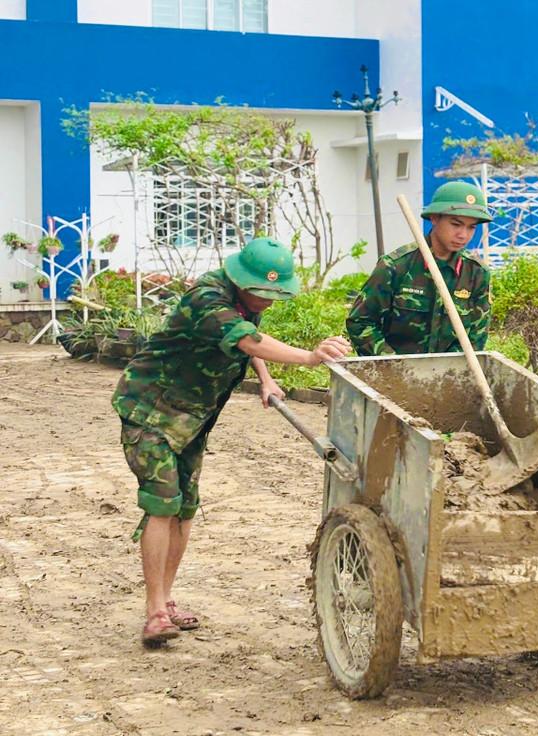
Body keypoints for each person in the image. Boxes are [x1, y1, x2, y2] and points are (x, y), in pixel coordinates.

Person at [111, 237, 350, 647]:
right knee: (163, 501)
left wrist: (266, 377)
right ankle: (153, 613)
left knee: (186, 507)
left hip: (192, 417)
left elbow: (247, 339)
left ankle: (166, 603)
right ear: (241, 280)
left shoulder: (244, 303)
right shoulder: (206, 298)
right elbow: (242, 337)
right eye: (262, 292)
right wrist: (309, 358)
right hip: (150, 410)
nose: (268, 301)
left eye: (275, 294)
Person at [346, 180, 493, 356]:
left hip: (449, 374)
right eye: (456, 224)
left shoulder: (476, 273)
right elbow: (361, 322)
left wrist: (449, 370)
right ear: (434, 218)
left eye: (471, 227)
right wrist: (394, 366)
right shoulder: (396, 266)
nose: (463, 235)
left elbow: (476, 337)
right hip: (392, 375)